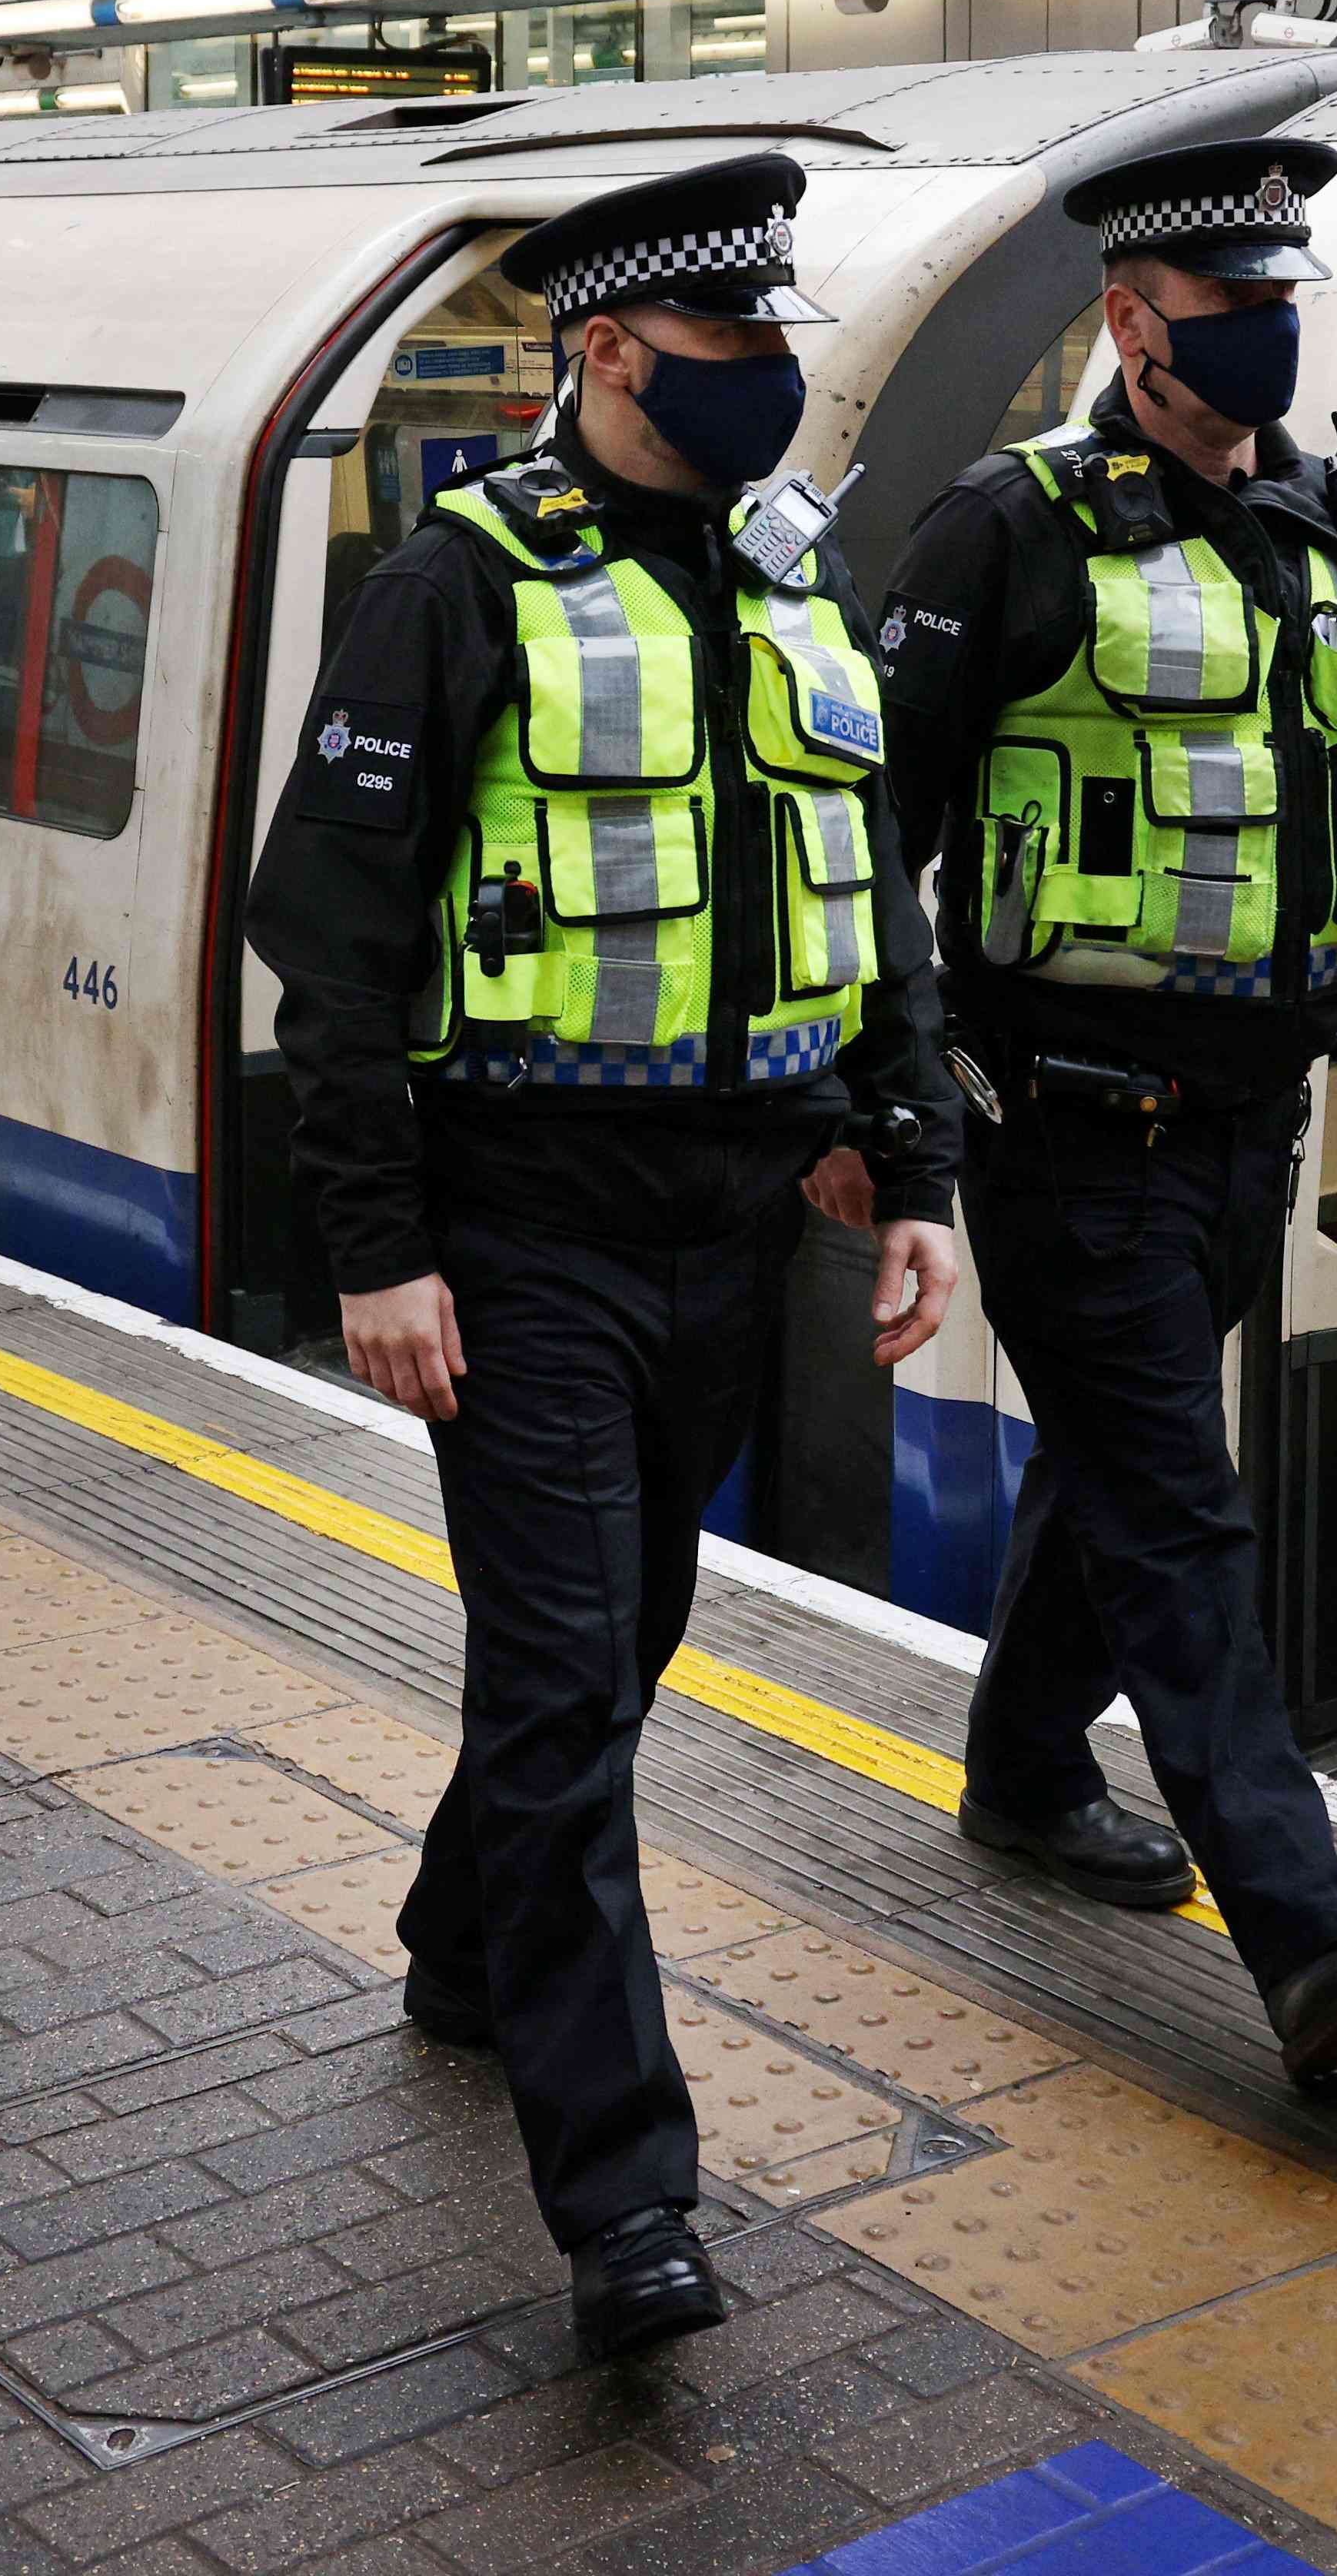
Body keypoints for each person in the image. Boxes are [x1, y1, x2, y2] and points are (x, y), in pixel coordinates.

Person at [244, 151, 968, 2361]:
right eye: (727, 344)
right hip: (526, 1225)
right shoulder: (455, 587)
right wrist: (375, 1251)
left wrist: (904, 1157)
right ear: (606, 352)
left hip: (731, 1226)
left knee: (627, 1634)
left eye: (775, 340)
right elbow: (331, 946)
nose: (765, 376)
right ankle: (625, 2200)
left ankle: (467, 1948)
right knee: (560, 1684)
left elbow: (858, 888)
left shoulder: (785, 577)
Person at [874, 137, 1337, 2091]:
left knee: (1119, 1456)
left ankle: (1012, 1770)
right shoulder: (1005, 534)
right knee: (1181, 1505)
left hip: (1257, 1122)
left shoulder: (1332, 524)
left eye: (1279, 300)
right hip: (1068, 1119)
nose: (1264, 332)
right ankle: (1306, 1930)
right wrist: (891, 1106)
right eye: (1228, 308)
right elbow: (868, 843)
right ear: (1131, 323)